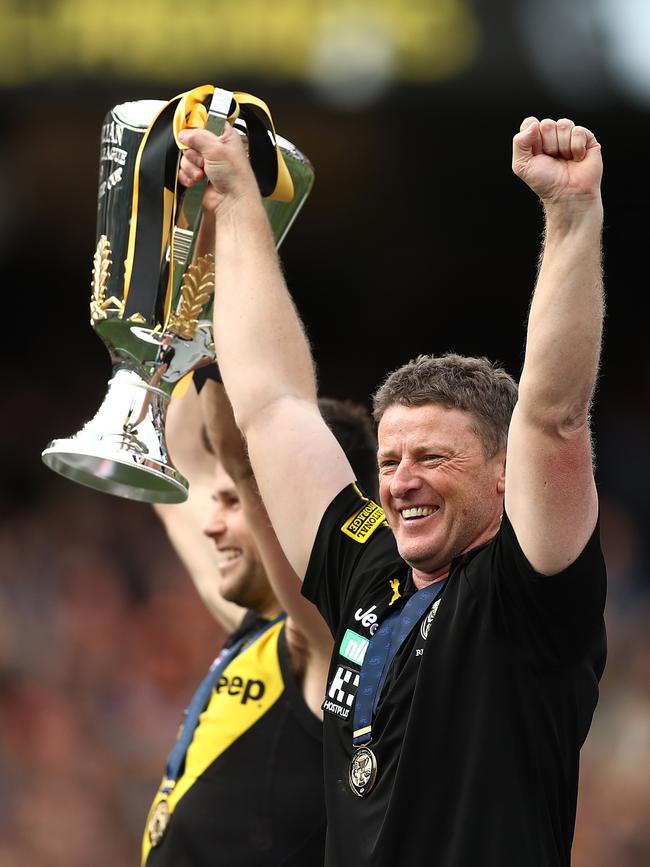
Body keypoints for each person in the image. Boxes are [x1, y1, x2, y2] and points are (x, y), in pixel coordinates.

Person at [177, 114, 607, 866]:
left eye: (434, 457)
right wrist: (239, 199)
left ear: (505, 473)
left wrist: (571, 217)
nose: (402, 479)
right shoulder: (370, 572)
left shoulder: (523, 596)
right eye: (389, 459)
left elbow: (557, 416)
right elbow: (274, 404)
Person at [142, 372, 378, 866]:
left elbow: (242, 466)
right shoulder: (260, 623)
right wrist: (185, 336)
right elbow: (175, 469)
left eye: (234, 501)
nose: (211, 525)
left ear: (290, 508)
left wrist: (218, 359)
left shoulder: (330, 637)